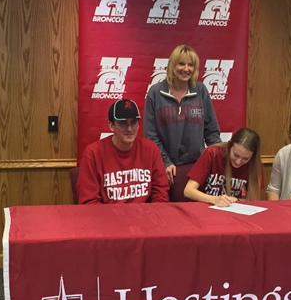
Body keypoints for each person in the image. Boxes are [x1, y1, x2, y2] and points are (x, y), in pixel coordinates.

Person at [144, 45, 221, 202]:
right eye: (181, 64)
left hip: (196, 169)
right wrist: (164, 161)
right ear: (172, 65)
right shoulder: (155, 92)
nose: (186, 69)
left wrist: (221, 162)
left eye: (191, 65)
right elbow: (150, 135)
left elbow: (211, 132)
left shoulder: (201, 91)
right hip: (164, 168)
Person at [77, 99, 169, 204]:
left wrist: (150, 217)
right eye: (123, 123)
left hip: (144, 217)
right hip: (108, 218)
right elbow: (89, 202)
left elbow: (161, 194)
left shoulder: (151, 149)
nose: (129, 129)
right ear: (111, 126)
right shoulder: (92, 154)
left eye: (133, 122)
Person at [184, 128, 262, 206]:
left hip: (231, 209)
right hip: (205, 206)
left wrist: (237, 200)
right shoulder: (213, 153)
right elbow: (188, 191)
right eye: (235, 155)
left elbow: (253, 199)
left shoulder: (254, 164)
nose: (238, 162)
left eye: (245, 158)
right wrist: (214, 199)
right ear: (229, 145)